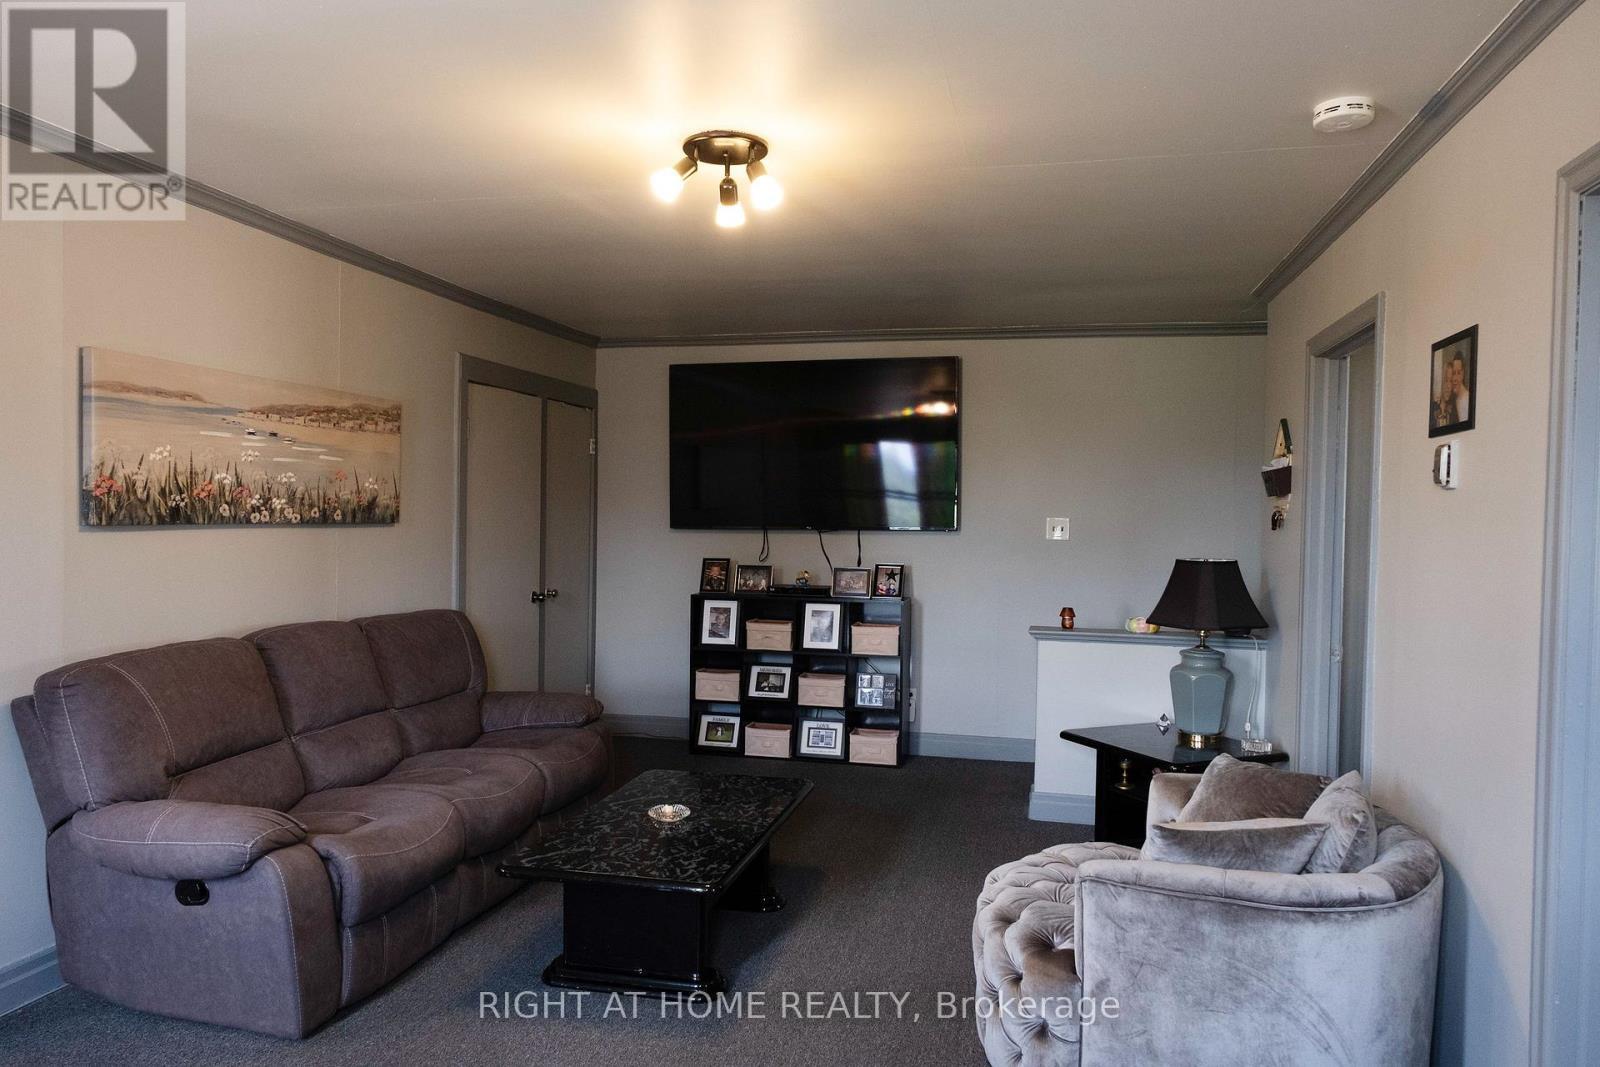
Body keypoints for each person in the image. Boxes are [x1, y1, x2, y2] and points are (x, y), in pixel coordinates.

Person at [1449, 352, 1471, 424]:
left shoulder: (1467, 398)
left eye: (1458, 373)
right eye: (1453, 373)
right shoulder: (1452, 398)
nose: (1455, 378)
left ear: (1463, 374)